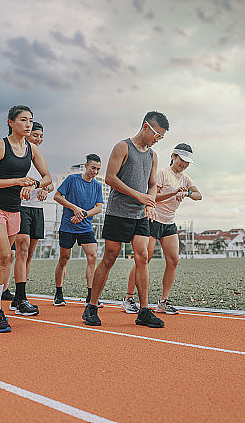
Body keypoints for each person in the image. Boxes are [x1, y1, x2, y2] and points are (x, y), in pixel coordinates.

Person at [82, 111, 168, 328]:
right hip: (118, 212)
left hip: (140, 215)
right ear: (146, 127)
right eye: (157, 135)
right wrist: (138, 195)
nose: (157, 140)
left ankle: (144, 311)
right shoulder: (123, 147)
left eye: (161, 137)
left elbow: (152, 184)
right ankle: (91, 306)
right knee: (110, 257)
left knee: (143, 256)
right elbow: (110, 178)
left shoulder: (152, 156)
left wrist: (150, 200)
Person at [0, 105, 52, 333]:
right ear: (11, 122)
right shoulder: (0, 146)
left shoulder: (32, 149)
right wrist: (17, 181)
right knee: (3, 256)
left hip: (14, 210)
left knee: (4, 258)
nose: (28, 124)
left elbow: (47, 178)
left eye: (30, 120)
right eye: (23, 120)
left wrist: (34, 184)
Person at [124, 143, 201, 315]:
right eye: (182, 160)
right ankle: (128, 298)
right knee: (143, 260)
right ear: (173, 156)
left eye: (187, 162)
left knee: (173, 260)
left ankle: (163, 302)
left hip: (169, 223)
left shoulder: (186, 179)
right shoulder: (162, 173)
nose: (184, 164)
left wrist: (187, 193)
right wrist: (173, 192)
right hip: (152, 219)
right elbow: (153, 197)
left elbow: (199, 195)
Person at [11, 121, 53, 311]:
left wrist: (44, 188)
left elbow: (50, 183)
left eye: (41, 136)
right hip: (21, 207)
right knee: (22, 250)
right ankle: (21, 298)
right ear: (27, 135)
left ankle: (18, 296)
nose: (39, 139)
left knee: (28, 255)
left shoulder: (40, 157)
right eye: (36, 135)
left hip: (37, 209)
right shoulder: (19, 156)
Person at [53, 154, 104, 307]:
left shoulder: (97, 186)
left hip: (85, 226)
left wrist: (83, 214)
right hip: (68, 226)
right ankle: (58, 294)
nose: (95, 171)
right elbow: (57, 196)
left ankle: (90, 296)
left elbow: (99, 208)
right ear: (86, 166)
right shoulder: (72, 179)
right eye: (93, 168)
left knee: (93, 257)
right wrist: (74, 208)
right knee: (64, 258)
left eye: (98, 169)